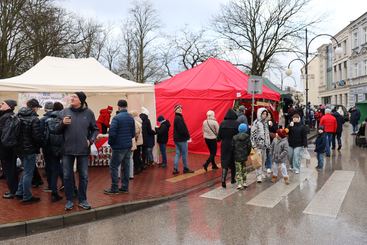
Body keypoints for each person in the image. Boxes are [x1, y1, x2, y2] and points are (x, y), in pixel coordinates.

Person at [58, 92, 99, 210]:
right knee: (67, 176)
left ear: (81, 100)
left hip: (83, 150)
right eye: (71, 96)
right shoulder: (64, 112)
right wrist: (62, 124)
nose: (71, 98)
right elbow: (56, 130)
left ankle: (82, 200)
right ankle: (69, 200)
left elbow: (95, 129)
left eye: (74, 97)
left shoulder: (89, 113)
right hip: (67, 149)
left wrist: (90, 140)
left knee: (84, 176)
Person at [104, 99, 135, 195]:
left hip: (118, 147)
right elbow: (133, 134)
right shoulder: (131, 118)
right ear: (126, 106)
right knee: (126, 167)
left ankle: (114, 188)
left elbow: (112, 133)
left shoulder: (116, 118)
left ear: (118, 106)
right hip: (128, 146)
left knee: (114, 166)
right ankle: (125, 188)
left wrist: (111, 143)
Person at [15, 99, 43, 203]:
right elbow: (37, 137)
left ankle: (19, 192)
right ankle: (27, 196)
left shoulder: (18, 116)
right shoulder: (34, 119)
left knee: (25, 171)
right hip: (29, 149)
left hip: (19, 148)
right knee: (28, 173)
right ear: (34, 107)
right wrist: (40, 145)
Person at [42, 102, 64, 202]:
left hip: (50, 148)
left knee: (53, 170)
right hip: (63, 148)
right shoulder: (65, 120)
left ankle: (53, 191)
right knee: (65, 168)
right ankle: (71, 189)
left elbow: (44, 135)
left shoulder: (47, 120)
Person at [0, 99, 19, 199]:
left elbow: (5, 135)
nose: (1, 105)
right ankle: (14, 189)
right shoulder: (10, 116)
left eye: (3, 103)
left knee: (9, 170)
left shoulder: (6, 117)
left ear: (9, 106)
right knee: (11, 169)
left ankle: (13, 191)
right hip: (10, 148)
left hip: (6, 148)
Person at [218, 109, 240, 188]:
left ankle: (223, 179)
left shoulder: (222, 123)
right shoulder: (237, 124)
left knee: (225, 162)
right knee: (233, 162)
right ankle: (233, 179)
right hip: (234, 145)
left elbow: (219, 136)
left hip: (225, 145)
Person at [250, 108, 271, 183]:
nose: (264, 115)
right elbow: (252, 135)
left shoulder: (265, 123)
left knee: (263, 160)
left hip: (264, 146)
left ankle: (262, 172)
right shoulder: (256, 123)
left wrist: (268, 144)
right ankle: (258, 176)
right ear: (260, 114)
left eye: (266, 114)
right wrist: (254, 146)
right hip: (258, 146)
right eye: (263, 114)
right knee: (258, 161)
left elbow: (267, 134)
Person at [173, 104, 194, 175]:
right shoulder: (179, 118)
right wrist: (187, 136)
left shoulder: (177, 117)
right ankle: (185, 168)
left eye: (181, 108)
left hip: (177, 139)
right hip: (182, 139)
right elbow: (182, 130)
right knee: (184, 154)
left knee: (177, 153)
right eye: (178, 108)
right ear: (175, 110)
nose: (180, 109)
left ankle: (175, 169)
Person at [40, 101, 54, 193]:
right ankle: (62, 184)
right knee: (57, 165)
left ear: (45, 109)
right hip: (57, 146)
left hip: (47, 146)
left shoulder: (43, 119)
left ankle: (50, 186)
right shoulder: (59, 117)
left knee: (49, 165)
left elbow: (40, 134)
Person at [232, 123, 252, 190]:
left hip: (237, 156)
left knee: (238, 170)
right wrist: (247, 153)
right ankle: (245, 182)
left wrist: (234, 154)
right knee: (244, 169)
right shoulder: (247, 137)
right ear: (245, 129)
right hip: (244, 155)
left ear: (239, 129)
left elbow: (232, 147)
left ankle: (239, 184)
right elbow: (249, 146)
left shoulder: (234, 137)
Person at [265, 111, 278, 176]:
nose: (268, 116)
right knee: (264, 154)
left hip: (271, 140)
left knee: (269, 153)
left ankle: (269, 167)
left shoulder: (274, 122)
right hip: (264, 141)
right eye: (267, 115)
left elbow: (276, 129)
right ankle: (265, 165)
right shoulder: (263, 122)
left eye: (269, 115)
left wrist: (271, 125)